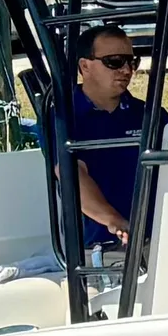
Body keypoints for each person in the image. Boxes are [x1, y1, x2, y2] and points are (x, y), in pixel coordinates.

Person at [61, 25, 152, 254]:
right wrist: (115, 221)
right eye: (114, 61)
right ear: (85, 66)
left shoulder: (149, 115)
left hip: (157, 241)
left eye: (132, 62)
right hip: (98, 251)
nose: (126, 70)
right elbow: (72, 175)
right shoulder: (63, 118)